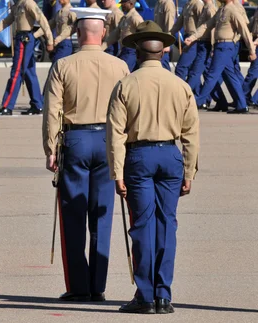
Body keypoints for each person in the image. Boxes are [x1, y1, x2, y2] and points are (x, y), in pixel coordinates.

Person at [106, 20, 199, 314]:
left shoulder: (125, 85)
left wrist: (117, 172)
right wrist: (189, 171)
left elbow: (115, 134)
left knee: (143, 225)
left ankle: (145, 296)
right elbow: (191, 134)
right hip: (170, 156)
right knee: (167, 224)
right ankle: (163, 294)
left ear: (136, 51)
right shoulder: (181, 85)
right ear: (164, 51)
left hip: (139, 156)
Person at [43, 7, 129, 303]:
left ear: (78, 32)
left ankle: (79, 285)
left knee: (73, 215)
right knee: (102, 215)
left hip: (75, 139)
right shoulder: (120, 66)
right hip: (107, 140)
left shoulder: (63, 65)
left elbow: (52, 111)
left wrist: (51, 148)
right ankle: (98, 285)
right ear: (103, 31)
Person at [0, 0, 54, 116]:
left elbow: (43, 21)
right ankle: (37, 104)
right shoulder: (18, 5)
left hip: (25, 40)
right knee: (29, 72)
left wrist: (50, 40)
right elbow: (6, 21)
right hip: (20, 38)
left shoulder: (28, 4)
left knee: (16, 73)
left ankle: (7, 105)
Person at [184, 0, 256, 114]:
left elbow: (244, 30)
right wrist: (193, 37)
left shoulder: (233, 10)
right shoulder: (222, 10)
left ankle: (197, 102)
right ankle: (242, 105)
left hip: (225, 46)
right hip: (220, 46)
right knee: (230, 76)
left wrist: (252, 50)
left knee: (211, 75)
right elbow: (206, 25)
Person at [184, 0, 216, 99]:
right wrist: (193, 38)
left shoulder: (210, 8)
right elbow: (203, 27)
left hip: (206, 44)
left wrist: (213, 47)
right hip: (200, 42)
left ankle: (185, 96)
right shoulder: (205, 7)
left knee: (195, 71)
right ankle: (219, 101)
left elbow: (212, 29)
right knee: (206, 73)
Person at [103, 0, 144, 72]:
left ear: (131, 4)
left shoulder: (135, 17)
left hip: (131, 51)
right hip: (124, 50)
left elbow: (144, 33)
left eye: (124, 3)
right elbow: (115, 34)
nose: (121, 5)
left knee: (123, 72)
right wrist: (102, 47)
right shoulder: (125, 18)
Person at [169, 0, 203, 78]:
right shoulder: (187, 5)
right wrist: (168, 35)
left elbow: (204, 25)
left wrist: (194, 37)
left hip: (194, 40)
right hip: (187, 38)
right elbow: (178, 24)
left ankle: (180, 89)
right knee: (192, 70)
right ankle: (194, 90)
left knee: (181, 68)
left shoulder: (198, 4)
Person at [153, 0, 176, 70]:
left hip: (164, 40)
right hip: (158, 39)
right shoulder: (158, 3)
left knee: (163, 65)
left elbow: (170, 25)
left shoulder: (168, 3)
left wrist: (168, 44)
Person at [242, 9, 258, 107]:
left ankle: (250, 99)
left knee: (253, 73)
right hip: (255, 43)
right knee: (252, 73)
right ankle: (243, 98)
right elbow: (250, 27)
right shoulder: (256, 11)